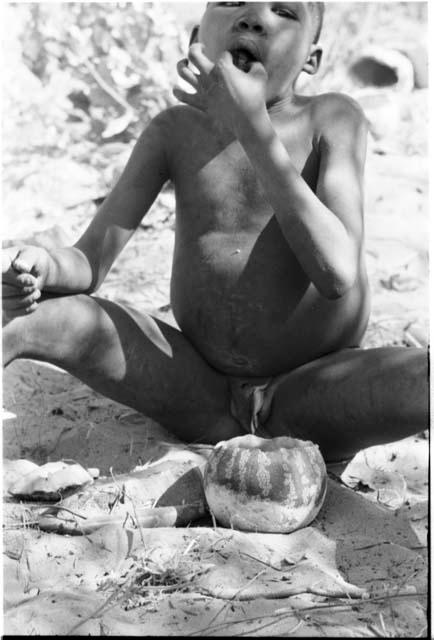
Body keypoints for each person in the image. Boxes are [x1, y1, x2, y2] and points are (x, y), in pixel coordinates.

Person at [2, 2, 428, 462]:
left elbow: (337, 274)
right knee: (30, 318)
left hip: (315, 391)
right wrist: (46, 265)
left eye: (283, 10)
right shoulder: (173, 131)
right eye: (230, 2)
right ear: (195, 40)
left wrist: (251, 127)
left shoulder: (333, 119)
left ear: (311, 59)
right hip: (198, 386)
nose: (251, 17)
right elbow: (90, 261)